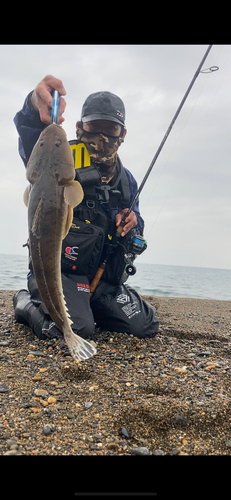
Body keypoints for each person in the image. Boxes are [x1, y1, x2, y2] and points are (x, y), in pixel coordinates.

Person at [13, 75, 159, 342]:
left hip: (101, 279)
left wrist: (132, 220)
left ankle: (89, 306)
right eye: (93, 126)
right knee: (75, 329)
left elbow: (137, 223)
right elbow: (32, 137)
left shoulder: (127, 181)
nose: (101, 137)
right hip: (60, 273)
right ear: (79, 127)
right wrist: (34, 106)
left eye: (111, 129)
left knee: (145, 326)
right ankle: (24, 303)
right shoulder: (59, 158)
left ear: (122, 134)